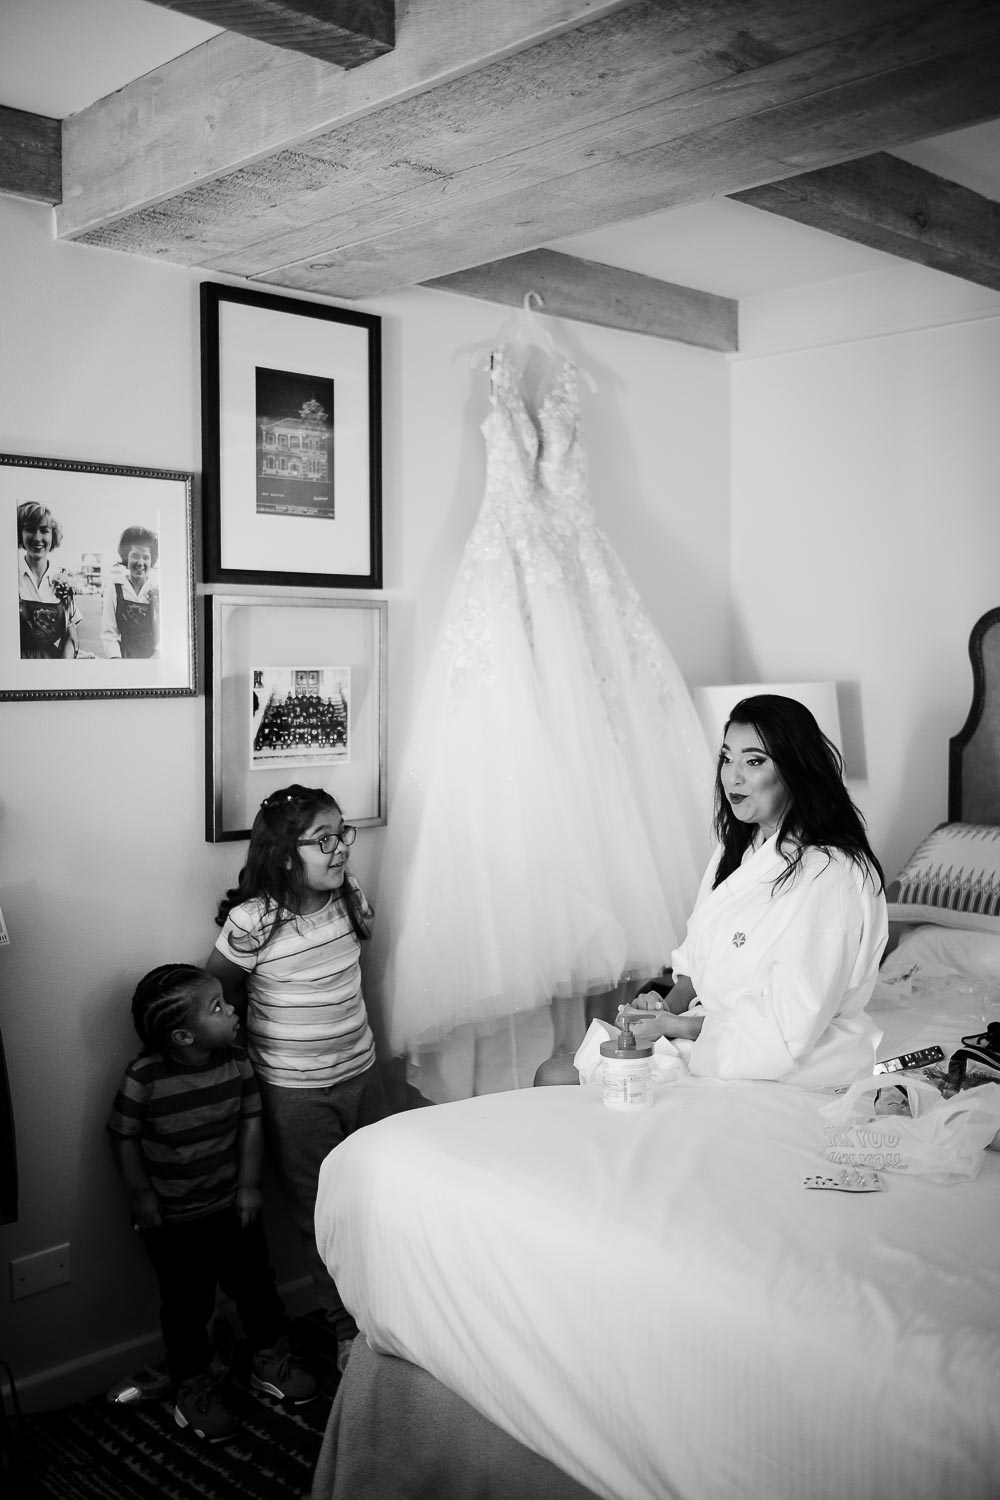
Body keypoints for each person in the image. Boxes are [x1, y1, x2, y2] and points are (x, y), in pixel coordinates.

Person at [536, 694, 888, 1090]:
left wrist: (678, 1026)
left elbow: (790, 1027)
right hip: (710, 1032)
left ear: (795, 769)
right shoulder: (739, 848)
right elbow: (695, 966)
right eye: (726, 757)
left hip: (788, 1059)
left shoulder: (831, 874)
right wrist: (658, 1012)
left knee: (557, 1078)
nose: (732, 777)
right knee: (555, 1074)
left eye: (754, 761)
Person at [206, 786, 386, 1375]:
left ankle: (390, 1313)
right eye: (323, 841)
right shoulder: (253, 921)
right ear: (285, 855)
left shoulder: (348, 898)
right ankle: (343, 1330)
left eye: (343, 835)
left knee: (376, 1199)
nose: (340, 851)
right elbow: (217, 993)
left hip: (360, 1073)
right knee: (322, 1213)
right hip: (295, 1095)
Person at [107, 964, 317, 1443]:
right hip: (173, 1220)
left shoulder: (236, 1062)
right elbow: (122, 1137)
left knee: (256, 1286)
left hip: (233, 1208)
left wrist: (248, 1186)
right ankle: (193, 1384)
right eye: (218, 1007)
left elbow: (251, 1123)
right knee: (185, 1305)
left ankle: (269, 1358)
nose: (233, 1010)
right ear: (183, 1036)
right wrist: (140, 1196)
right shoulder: (144, 1078)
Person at [17, 500, 82, 659]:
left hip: (52, 665)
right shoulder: (9, 576)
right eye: (30, 529)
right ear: (20, 533)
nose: (37, 538)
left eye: (44, 530)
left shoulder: (63, 579)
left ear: (53, 535)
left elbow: (70, 631)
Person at [101, 524, 159, 659]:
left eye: (145, 557)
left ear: (152, 560)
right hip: (123, 658)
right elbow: (109, 633)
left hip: (153, 660)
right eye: (135, 556)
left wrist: (157, 657)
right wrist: (117, 661)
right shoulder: (114, 589)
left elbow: (166, 634)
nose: (140, 562)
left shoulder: (157, 590)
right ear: (126, 558)